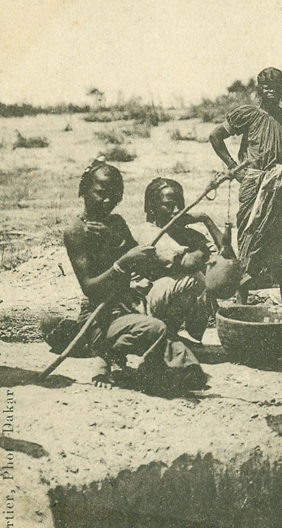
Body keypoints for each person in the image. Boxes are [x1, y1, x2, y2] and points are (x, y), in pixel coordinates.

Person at [63, 159, 207, 393]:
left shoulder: (116, 224)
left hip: (129, 307)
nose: (107, 201)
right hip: (100, 317)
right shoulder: (75, 232)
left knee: (190, 368)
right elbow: (89, 288)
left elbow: (145, 265)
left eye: (114, 195)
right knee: (157, 329)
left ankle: (141, 368)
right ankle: (108, 357)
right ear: (84, 190)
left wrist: (119, 242)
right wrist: (123, 262)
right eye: (101, 193)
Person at [208, 67, 282, 307]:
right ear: (258, 88)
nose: (270, 88)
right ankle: (241, 301)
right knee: (249, 239)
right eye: (264, 84)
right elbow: (215, 136)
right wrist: (234, 168)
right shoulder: (246, 114)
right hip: (254, 185)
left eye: (275, 84)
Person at [134, 177, 228, 343]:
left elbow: (228, 260)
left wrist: (206, 220)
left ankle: (171, 334)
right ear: (153, 207)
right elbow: (188, 262)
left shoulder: (186, 234)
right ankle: (161, 335)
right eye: (169, 205)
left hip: (161, 300)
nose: (177, 210)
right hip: (141, 307)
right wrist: (204, 253)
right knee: (196, 278)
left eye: (180, 204)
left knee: (215, 275)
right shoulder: (148, 232)